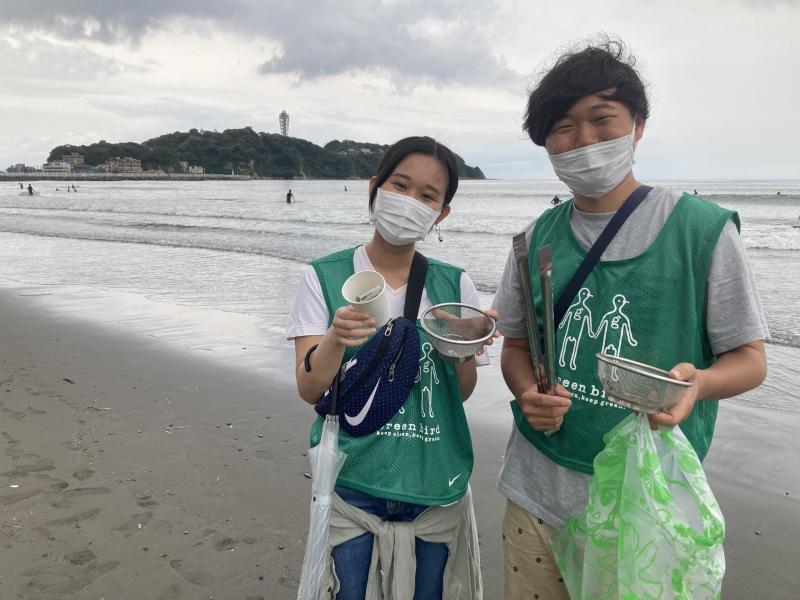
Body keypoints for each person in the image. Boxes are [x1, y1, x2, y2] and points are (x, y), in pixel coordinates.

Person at [491, 39, 768, 599]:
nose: (584, 140)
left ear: (638, 125)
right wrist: (527, 393)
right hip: (535, 492)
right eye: (564, 127)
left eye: (602, 120)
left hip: (645, 505)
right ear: (546, 141)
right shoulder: (534, 239)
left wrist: (701, 384)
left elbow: (750, 360)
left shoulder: (702, 231)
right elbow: (516, 346)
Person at [287, 136, 493, 599]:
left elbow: (460, 392)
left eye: (427, 196)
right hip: (352, 478)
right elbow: (308, 386)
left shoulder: (454, 284)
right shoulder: (323, 276)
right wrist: (337, 339)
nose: (410, 203)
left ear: (441, 214)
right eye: (400, 186)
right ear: (375, 188)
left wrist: (460, 346)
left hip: (434, 480)